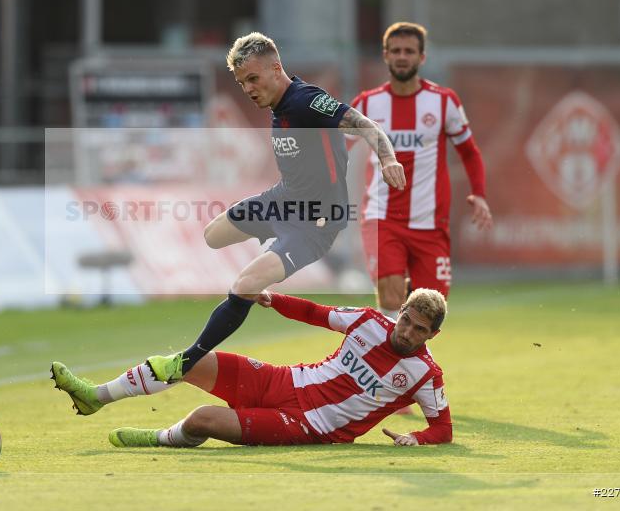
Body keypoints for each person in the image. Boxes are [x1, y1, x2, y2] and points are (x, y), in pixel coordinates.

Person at [145, 32, 406, 384]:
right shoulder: (278, 105)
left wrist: (388, 159)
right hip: (282, 201)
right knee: (213, 235)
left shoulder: (306, 100)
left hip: (315, 220)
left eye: (253, 78)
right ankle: (269, 249)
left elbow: (366, 125)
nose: (249, 89)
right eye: (242, 83)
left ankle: (186, 362)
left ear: (276, 68)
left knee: (245, 282)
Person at [50, 288, 452, 448]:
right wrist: (272, 297)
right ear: (399, 313)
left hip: (310, 425)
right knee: (189, 360)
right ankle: (95, 396)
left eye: (419, 330)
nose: (407, 332)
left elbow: (443, 429)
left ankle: (158, 438)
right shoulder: (367, 320)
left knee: (202, 421)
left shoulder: (425, 374)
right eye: (406, 321)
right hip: (286, 379)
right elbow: (315, 312)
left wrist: (417, 437)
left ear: (431, 334)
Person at [349, 22, 492, 320]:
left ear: (422, 57)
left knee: (429, 309)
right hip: (382, 217)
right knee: (390, 296)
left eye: (410, 51)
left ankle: (415, 366)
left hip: (430, 222)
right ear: (386, 56)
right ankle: (386, 366)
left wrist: (479, 194)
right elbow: (337, 151)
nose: (403, 57)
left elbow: (469, 151)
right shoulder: (367, 104)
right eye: (396, 51)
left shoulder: (444, 102)